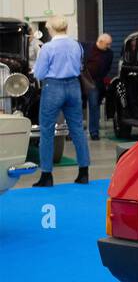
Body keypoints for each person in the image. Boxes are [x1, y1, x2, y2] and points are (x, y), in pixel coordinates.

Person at [32, 16, 90, 187]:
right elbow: (80, 67)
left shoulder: (48, 48)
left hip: (53, 87)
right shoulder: (76, 45)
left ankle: (47, 175)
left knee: (47, 130)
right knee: (78, 129)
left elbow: (40, 74)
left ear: (50, 29)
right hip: (73, 86)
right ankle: (84, 172)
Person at [82, 33, 113, 141]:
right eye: (107, 44)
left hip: (95, 82)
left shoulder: (109, 54)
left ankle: (94, 132)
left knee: (94, 105)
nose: (109, 46)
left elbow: (107, 67)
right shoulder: (87, 48)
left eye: (110, 44)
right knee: (76, 106)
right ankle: (74, 132)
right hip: (82, 79)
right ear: (100, 42)